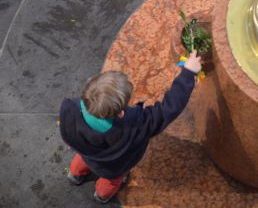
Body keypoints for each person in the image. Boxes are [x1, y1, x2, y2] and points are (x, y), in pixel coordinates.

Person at [59, 51, 202, 204]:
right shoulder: (136, 126)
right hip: (113, 169)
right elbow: (167, 110)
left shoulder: (70, 110)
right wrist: (187, 74)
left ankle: (75, 175)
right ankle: (101, 196)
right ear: (121, 113)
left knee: (81, 161)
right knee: (112, 181)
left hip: (86, 154)